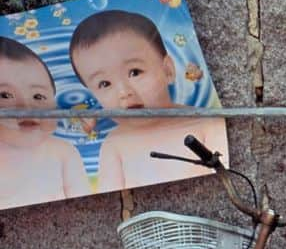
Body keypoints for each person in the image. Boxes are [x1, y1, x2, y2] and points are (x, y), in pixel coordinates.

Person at [68, 10, 226, 192]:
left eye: (135, 72)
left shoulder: (204, 123)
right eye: (104, 84)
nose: (124, 92)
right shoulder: (115, 146)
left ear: (168, 70)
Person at [0, 37, 90, 207]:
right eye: (5, 95)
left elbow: (85, 205)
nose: (26, 107)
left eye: (38, 96)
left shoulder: (63, 154)